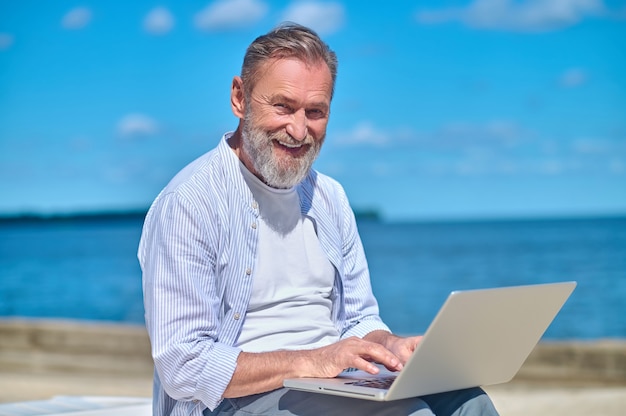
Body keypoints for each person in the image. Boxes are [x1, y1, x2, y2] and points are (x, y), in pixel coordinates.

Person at [138, 23, 500, 416]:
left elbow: (359, 319)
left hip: (333, 380)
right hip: (234, 401)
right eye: (283, 106)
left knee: (470, 402)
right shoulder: (190, 203)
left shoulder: (331, 198)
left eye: (315, 112)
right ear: (240, 98)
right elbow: (183, 365)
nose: (298, 129)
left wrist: (389, 345)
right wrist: (312, 361)